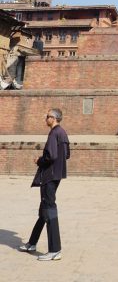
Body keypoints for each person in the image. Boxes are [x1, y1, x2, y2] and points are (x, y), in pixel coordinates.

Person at [19, 108, 70, 261]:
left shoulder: (54, 133)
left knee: (49, 209)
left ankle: (55, 250)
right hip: (57, 175)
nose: (45, 119)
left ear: (53, 118)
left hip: (49, 176)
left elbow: (52, 156)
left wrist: (39, 160)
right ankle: (32, 243)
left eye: (47, 116)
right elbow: (66, 154)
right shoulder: (63, 133)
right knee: (44, 209)